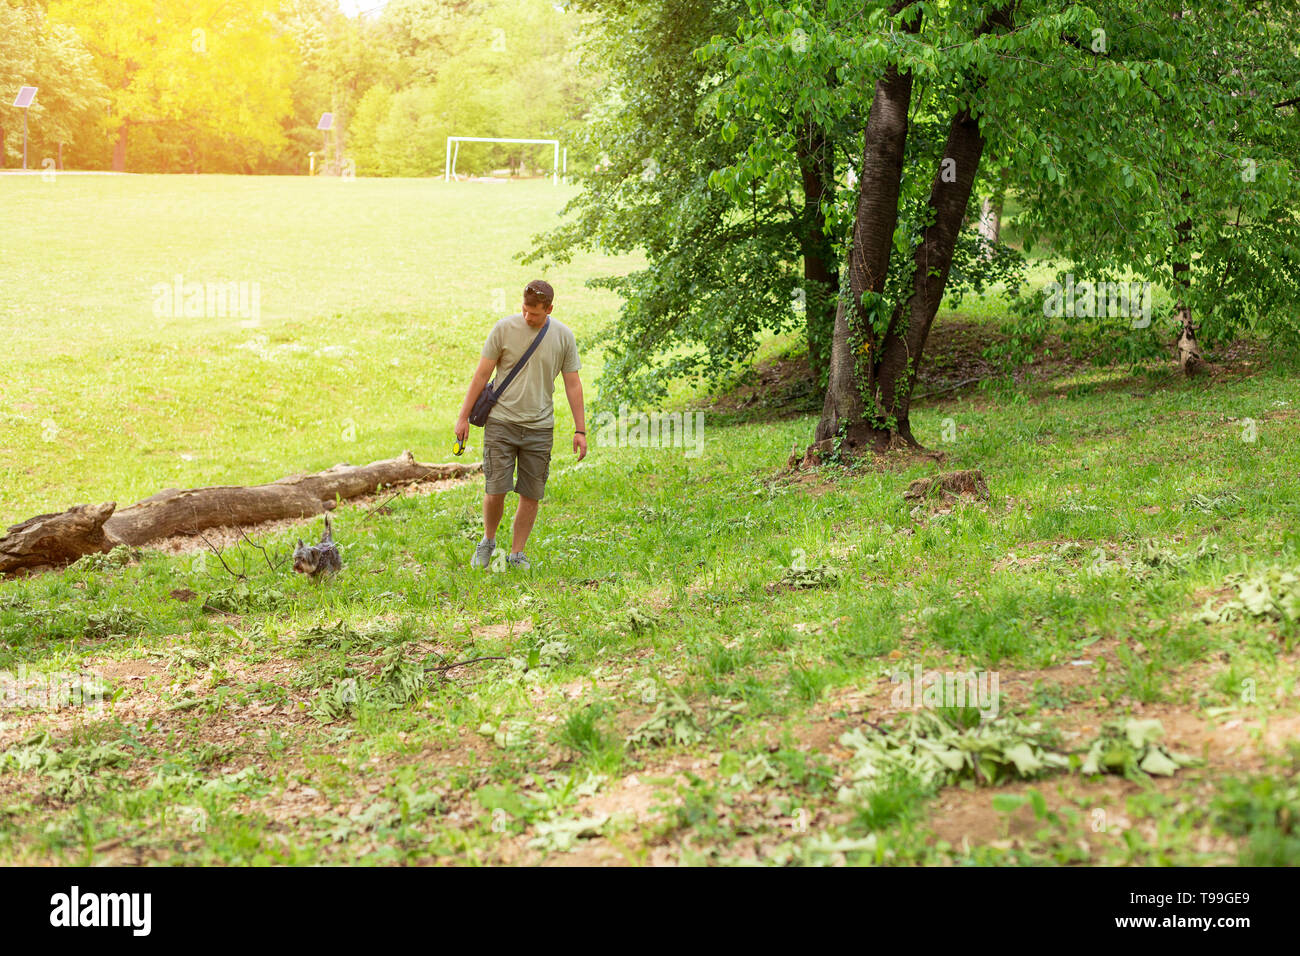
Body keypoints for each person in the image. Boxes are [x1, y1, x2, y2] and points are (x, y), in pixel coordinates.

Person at [455, 279, 586, 570]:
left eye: (535, 313)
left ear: (549, 309)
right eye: (525, 310)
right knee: (495, 488)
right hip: (501, 422)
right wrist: (463, 417)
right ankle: (487, 541)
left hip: (539, 426)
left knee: (531, 492)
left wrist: (580, 430)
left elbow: (573, 385)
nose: (528, 317)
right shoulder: (503, 329)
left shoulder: (563, 336)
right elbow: (481, 375)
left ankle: (517, 554)